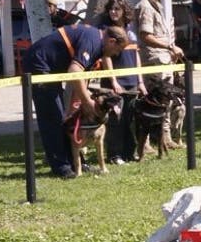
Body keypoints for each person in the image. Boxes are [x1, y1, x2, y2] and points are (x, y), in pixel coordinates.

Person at [24, 23, 128, 179]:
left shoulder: (96, 42)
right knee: (52, 117)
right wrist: (87, 102)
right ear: (111, 41)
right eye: (117, 50)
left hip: (51, 67)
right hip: (38, 63)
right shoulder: (93, 41)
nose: (115, 54)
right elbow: (75, 70)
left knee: (62, 119)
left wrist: (78, 104)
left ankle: (74, 163)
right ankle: (61, 167)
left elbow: (81, 76)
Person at [135, 0, 184, 146]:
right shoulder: (145, 7)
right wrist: (169, 47)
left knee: (166, 101)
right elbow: (145, 35)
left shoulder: (158, 6)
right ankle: (145, 142)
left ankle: (166, 137)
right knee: (151, 101)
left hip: (165, 60)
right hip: (154, 60)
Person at [98, 0, 145, 163]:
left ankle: (128, 153)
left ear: (124, 10)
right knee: (115, 120)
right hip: (116, 84)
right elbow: (106, 57)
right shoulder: (106, 30)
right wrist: (113, 81)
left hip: (132, 82)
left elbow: (136, 55)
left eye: (117, 9)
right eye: (111, 9)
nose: (113, 12)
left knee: (128, 120)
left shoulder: (131, 30)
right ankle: (114, 155)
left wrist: (140, 81)